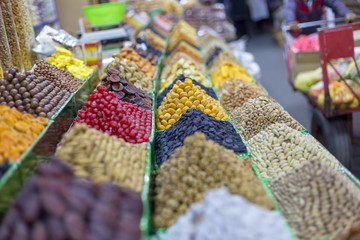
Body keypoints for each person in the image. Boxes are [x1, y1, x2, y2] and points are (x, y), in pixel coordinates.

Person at [285, 0, 356, 36]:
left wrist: (346, 12)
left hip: (316, 35)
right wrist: (291, 21)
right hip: (299, 36)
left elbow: (334, 2)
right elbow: (289, 9)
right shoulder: (294, 1)